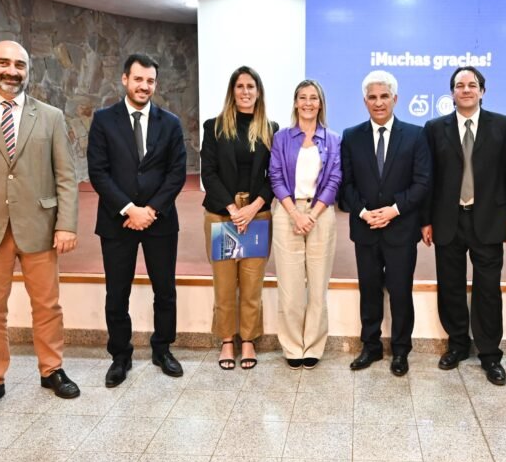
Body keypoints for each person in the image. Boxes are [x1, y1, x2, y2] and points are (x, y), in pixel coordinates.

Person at [0, 40, 80, 419]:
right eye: (4, 63)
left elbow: (67, 176)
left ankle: (51, 370)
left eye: (19, 64)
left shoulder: (50, 116)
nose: (12, 71)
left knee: (47, 305)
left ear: (27, 70)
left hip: (40, 227)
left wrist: (66, 225)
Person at [87, 53, 187, 387]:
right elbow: (98, 173)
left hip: (160, 221)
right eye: (139, 79)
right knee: (117, 292)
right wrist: (130, 209)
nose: (144, 86)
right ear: (125, 80)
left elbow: (176, 174)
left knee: (165, 290)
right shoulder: (103, 120)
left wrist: (151, 211)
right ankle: (120, 355)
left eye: (150, 81)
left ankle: (163, 349)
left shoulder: (170, 123)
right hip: (118, 222)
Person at [421, 66, 506, 385]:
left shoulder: (502, 126)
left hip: (489, 218)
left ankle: (490, 354)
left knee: (488, 290)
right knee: (450, 285)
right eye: (459, 85)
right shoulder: (434, 128)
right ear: (452, 93)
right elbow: (428, 178)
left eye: (472, 85)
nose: (466, 90)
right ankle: (458, 344)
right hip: (448, 220)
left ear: (482, 91)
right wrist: (426, 220)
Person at [341, 70, 430, 377]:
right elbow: (346, 185)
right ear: (364, 101)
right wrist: (364, 212)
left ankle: (401, 350)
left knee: (401, 291)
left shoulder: (416, 135)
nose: (378, 103)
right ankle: (371, 346)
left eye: (384, 96)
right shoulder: (351, 136)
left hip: (401, 229)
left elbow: (422, 183)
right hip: (365, 228)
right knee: (369, 289)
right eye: (372, 97)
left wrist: (393, 210)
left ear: (395, 98)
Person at [201, 66, 277, 370]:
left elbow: (275, 176)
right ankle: (227, 341)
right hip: (222, 215)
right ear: (232, 91)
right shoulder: (214, 127)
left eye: (251, 86)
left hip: (257, 214)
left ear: (259, 92)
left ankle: (248, 340)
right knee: (224, 283)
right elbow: (209, 173)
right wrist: (233, 209)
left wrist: (252, 206)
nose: (246, 92)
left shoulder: (271, 128)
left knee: (251, 282)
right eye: (240, 86)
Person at [269, 79, 341, 370]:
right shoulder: (282, 137)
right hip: (288, 211)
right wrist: (296, 214)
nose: (308, 102)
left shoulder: (334, 139)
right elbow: (275, 176)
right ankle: (292, 346)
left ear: (320, 103)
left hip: (321, 213)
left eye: (314, 98)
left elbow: (335, 178)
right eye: (303, 97)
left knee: (317, 285)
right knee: (290, 286)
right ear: (295, 102)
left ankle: (312, 345)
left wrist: (312, 214)